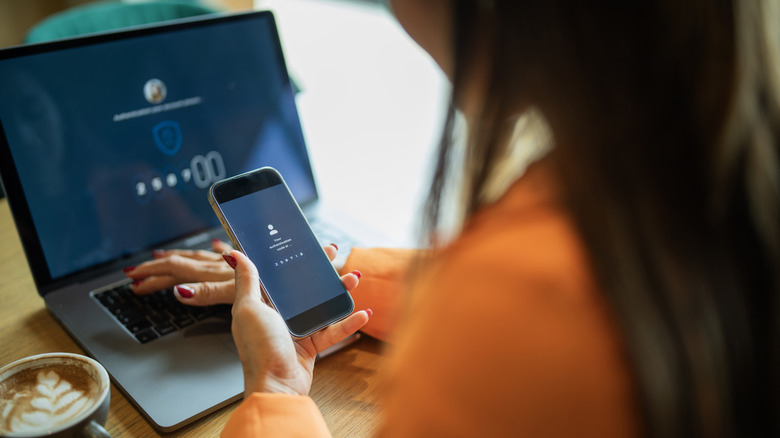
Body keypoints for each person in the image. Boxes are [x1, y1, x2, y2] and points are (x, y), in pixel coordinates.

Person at [125, 0, 780, 436]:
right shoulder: (707, 171)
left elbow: (520, 305)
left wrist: (276, 394)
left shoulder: (512, 302)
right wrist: (326, 266)